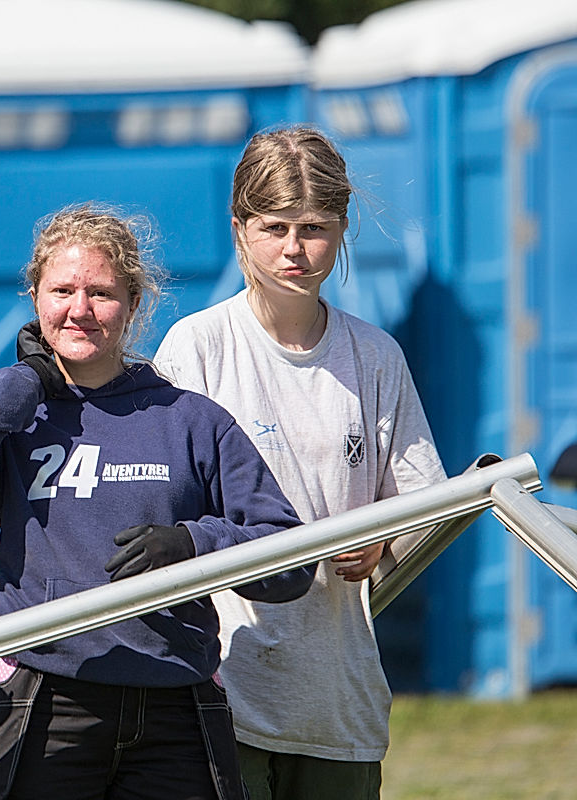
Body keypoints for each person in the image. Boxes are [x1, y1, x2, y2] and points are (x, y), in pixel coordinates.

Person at [0, 203, 315, 800]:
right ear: (34, 299)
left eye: (101, 293)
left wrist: (195, 544)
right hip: (44, 695)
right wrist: (29, 378)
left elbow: (293, 563)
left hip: (175, 704)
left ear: (133, 303)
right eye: (61, 291)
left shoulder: (192, 421)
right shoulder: (19, 418)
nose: (80, 310)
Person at [153, 125, 448, 800]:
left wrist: (384, 539)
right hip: (220, 695)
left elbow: (426, 507)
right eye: (275, 227)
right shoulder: (196, 348)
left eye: (314, 228)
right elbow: (161, 516)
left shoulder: (375, 356)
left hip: (337, 702)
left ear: (343, 229)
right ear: (240, 230)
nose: (294, 248)